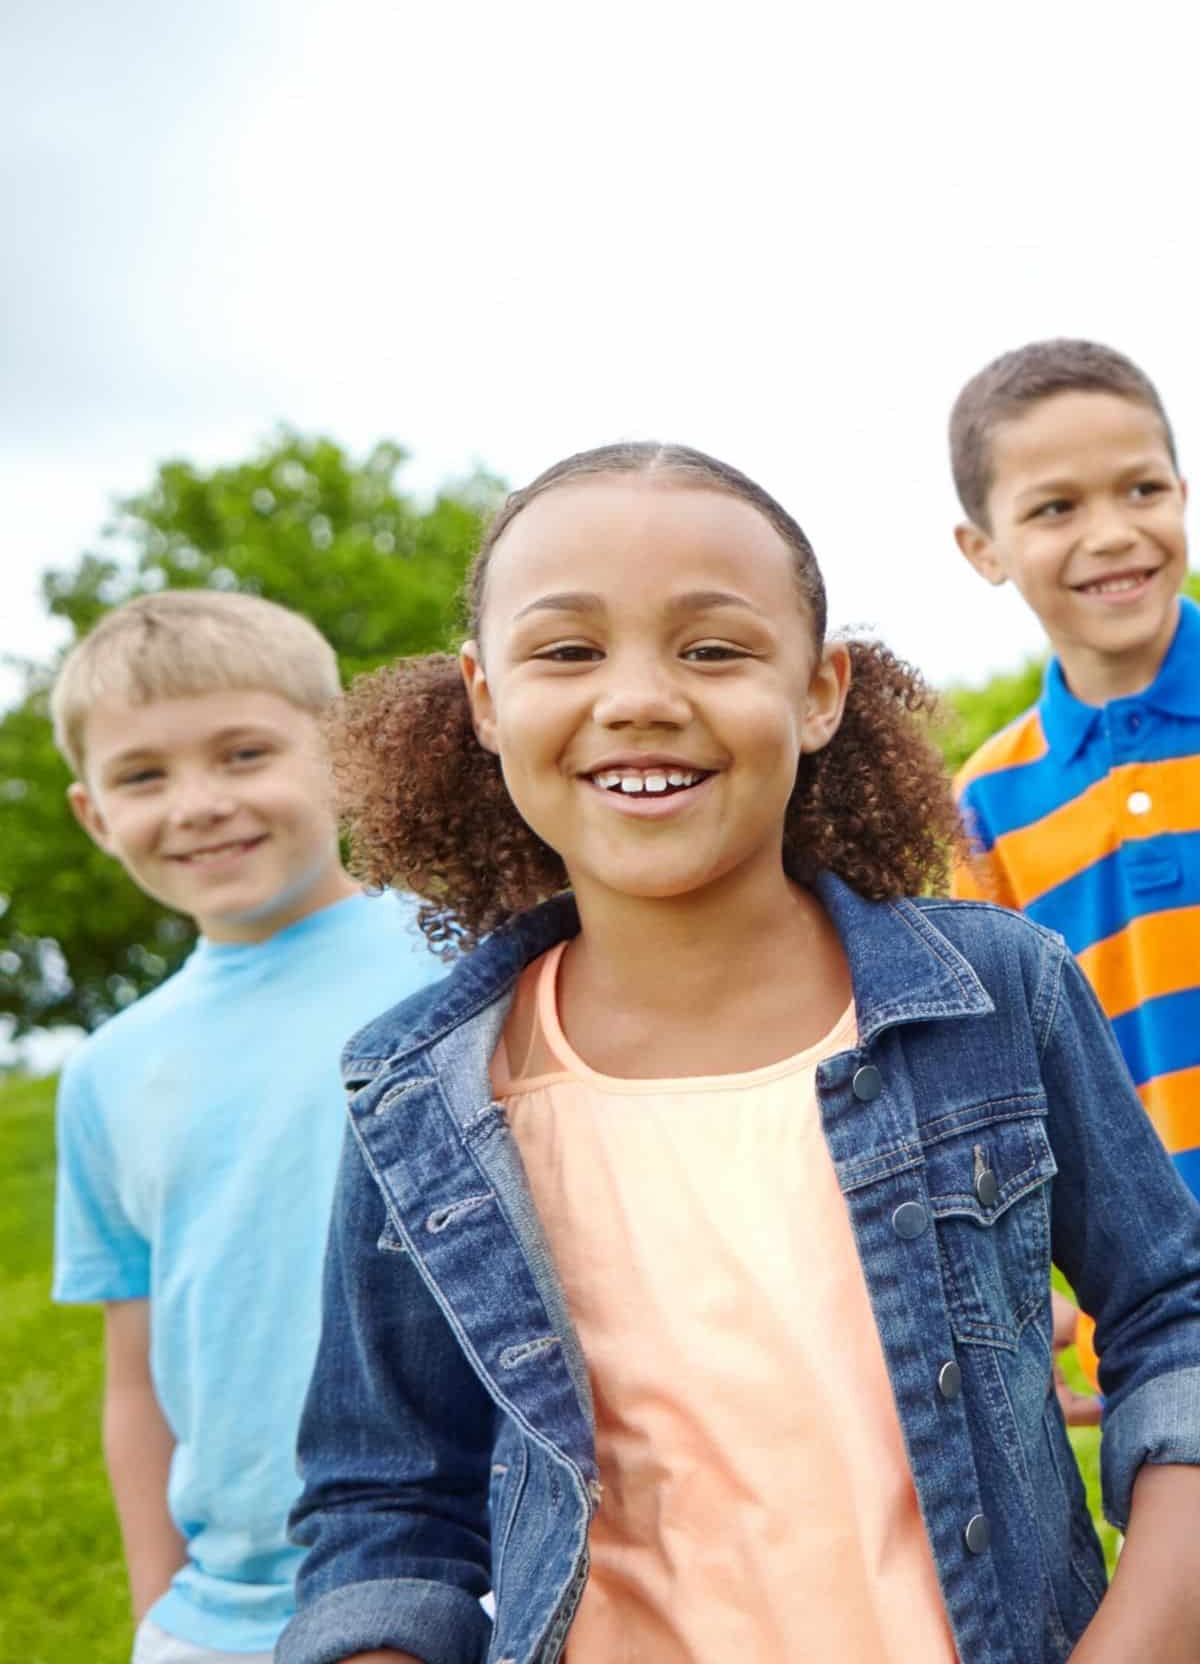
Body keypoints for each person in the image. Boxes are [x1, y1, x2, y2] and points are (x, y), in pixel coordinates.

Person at [278, 443, 1200, 1664]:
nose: (642, 697)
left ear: (819, 691)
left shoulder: (998, 990)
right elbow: (387, 1505)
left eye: (713, 648)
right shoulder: (419, 1098)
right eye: (567, 651)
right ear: (485, 699)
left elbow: (1172, 1314)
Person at [50, 591, 445, 1664]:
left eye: (243, 754)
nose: (199, 804)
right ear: (95, 814)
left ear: (338, 757)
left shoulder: (458, 959)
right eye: (144, 776)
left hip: (457, 1574)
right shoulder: (105, 1072)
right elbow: (134, 1371)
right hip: (218, 1619)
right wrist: (156, 1603)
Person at [948, 339, 1199, 1409]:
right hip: (1162, 1331)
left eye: (1142, 488)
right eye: (1055, 508)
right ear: (984, 547)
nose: (1113, 533)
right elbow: (999, 1081)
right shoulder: (988, 801)